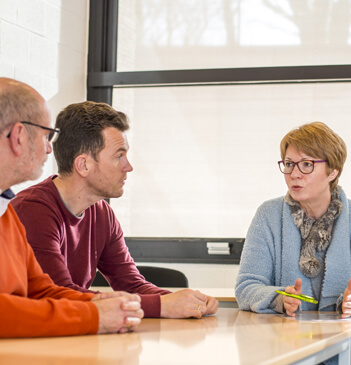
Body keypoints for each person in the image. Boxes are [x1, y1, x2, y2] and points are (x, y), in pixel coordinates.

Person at [11, 101, 219, 319]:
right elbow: (60, 296)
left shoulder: (101, 212)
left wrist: (187, 302)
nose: (128, 166)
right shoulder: (33, 211)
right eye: (119, 155)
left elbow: (131, 283)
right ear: (83, 165)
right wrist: (161, 306)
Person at [235, 122, 351, 365]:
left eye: (307, 164)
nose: (294, 173)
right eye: (289, 164)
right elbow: (247, 286)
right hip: (284, 348)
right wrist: (280, 299)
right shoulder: (268, 215)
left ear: (333, 171)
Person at [0, 77, 144, 337]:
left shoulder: (6, 212)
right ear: (19, 136)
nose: (48, 149)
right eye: (46, 136)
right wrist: (94, 315)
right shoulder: (27, 208)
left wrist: (103, 303)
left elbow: (42, 290)